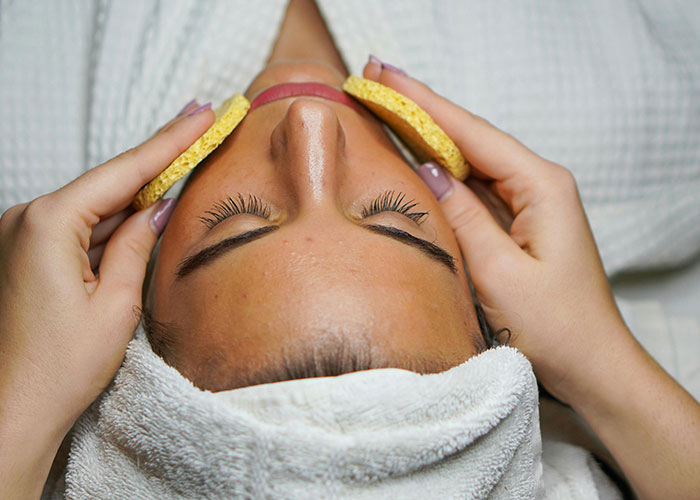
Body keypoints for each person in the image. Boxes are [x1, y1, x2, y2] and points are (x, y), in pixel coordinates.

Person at [1, 0, 699, 498]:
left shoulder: (25, 140)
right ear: (489, 301)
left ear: (136, 297)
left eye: (237, 222)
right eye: (394, 218)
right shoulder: (647, 117)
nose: (310, 128)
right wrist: (603, 362)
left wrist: (26, 397)